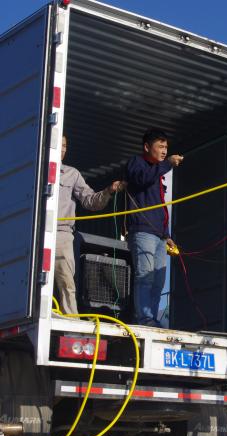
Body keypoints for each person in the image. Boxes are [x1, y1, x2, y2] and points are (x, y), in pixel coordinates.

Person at [55, 136, 125, 314]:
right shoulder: (35, 169)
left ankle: (70, 321)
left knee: (66, 282)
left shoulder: (72, 173)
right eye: (59, 144)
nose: (62, 149)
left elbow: (90, 201)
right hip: (34, 233)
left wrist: (109, 191)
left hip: (61, 234)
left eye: (65, 146)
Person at [126, 129, 183, 327]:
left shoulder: (158, 171)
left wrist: (167, 235)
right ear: (147, 147)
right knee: (145, 275)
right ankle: (144, 318)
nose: (164, 151)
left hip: (159, 235)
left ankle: (151, 318)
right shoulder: (137, 163)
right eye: (160, 146)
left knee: (158, 280)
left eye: (166, 147)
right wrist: (166, 165)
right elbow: (142, 179)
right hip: (142, 231)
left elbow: (160, 206)